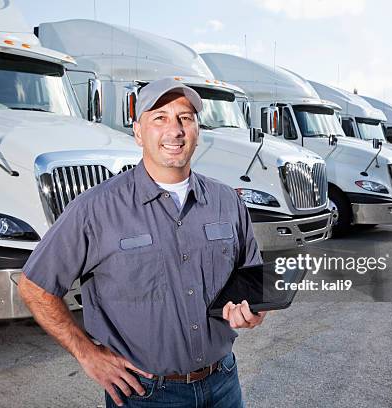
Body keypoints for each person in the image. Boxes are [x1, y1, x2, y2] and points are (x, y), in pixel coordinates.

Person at [18, 77, 266, 407]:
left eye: (185, 118)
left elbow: (250, 278)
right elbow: (35, 286)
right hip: (145, 394)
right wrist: (88, 354)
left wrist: (253, 309)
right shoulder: (96, 209)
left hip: (223, 383)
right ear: (138, 132)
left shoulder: (226, 201)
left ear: (197, 133)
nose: (174, 130)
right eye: (159, 117)